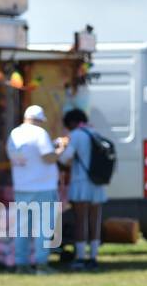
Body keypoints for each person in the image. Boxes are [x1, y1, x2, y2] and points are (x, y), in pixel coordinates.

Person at [6, 105, 62, 274]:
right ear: (39, 120)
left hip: (22, 187)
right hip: (43, 187)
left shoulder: (14, 134)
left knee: (22, 228)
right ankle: (41, 264)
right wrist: (60, 149)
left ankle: (21, 264)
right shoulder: (40, 133)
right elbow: (48, 157)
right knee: (43, 228)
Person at [58, 108, 107, 272]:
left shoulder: (77, 135)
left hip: (81, 183)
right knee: (95, 220)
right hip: (97, 183)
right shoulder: (95, 132)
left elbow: (66, 158)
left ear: (72, 122)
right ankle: (93, 257)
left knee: (81, 221)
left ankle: (80, 257)